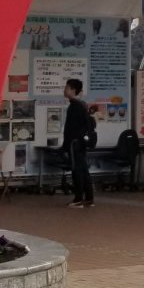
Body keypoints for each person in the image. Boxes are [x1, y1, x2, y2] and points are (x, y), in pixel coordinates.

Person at [60, 78, 95, 207]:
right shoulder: (82, 105)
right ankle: (89, 198)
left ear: (73, 90)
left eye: (67, 87)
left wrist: (65, 146)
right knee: (83, 169)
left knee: (77, 170)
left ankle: (78, 198)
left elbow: (70, 129)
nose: (64, 90)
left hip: (74, 143)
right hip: (81, 143)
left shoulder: (74, 106)